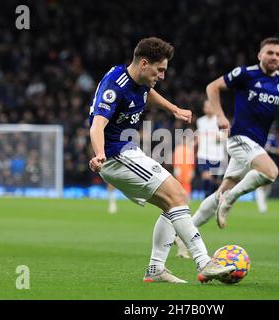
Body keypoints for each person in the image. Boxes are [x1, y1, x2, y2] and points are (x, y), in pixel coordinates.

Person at [88, 37, 235, 283]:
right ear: (144, 64)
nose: (163, 76)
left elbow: (148, 93)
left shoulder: (138, 79)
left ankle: (156, 270)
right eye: (160, 70)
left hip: (126, 152)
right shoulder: (115, 86)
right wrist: (100, 153)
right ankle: (204, 262)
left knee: (173, 204)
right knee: (177, 195)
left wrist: (174, 109)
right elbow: (97, 125)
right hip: (116, 156)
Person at [188, 37, 279, 230]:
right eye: (270, 53)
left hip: (256, 144)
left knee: (220, 192)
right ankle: (231, 199)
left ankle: (185, 233)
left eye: (278, 54)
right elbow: (212, 87)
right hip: (239, 138)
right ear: (260, 55)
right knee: (271, 172)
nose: (274, 57)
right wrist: (220, 116)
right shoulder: (246, 73)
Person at [196, 100, 226, 197]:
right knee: (206, 178)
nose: (207, 108)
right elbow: (200, 136)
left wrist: (220, 137)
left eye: (210, 106)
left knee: (215, 181)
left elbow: (226, 136)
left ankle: (214, 199)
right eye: (206, 106)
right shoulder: (200, 121)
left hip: (217, 155)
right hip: (203, 154)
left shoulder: (220, 120)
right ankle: (207, 199)